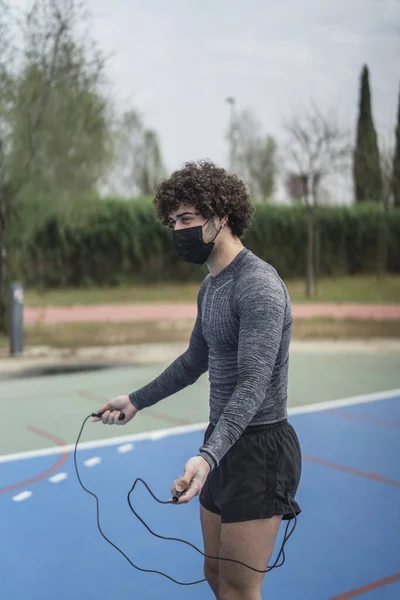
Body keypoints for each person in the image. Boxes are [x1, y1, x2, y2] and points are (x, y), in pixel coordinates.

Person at [92, 160, 302, 600]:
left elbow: (253, 385)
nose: (178, 230)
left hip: (259, 450)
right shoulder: (211, 287)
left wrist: (205, 459)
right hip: (221, 443)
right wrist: (135, 400)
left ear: (222, 216)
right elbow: (194, 360)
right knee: (215, 575)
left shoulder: (258, 285)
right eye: (173, 221)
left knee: (241, 589)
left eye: (187, 219)